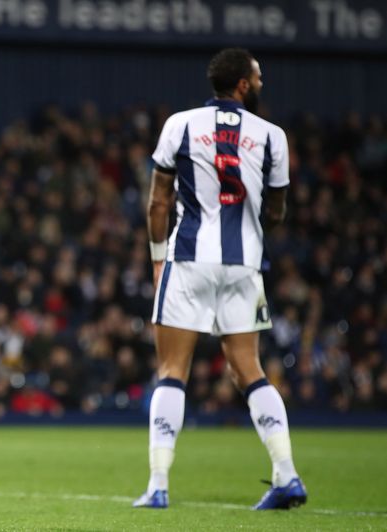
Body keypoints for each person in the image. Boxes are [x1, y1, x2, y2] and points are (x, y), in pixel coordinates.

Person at [135, 49, 306, 510]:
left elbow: (157, 202)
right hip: (245, 265)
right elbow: (277, 209)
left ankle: (157, 484)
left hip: (188, 258)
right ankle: (287, 474)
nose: (263, 82)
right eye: (259, 75)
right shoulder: (273, 136)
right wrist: (254, 226)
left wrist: (156, 258)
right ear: (244, 84)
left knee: (172, 371)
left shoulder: (180, 124)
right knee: (249, 370)